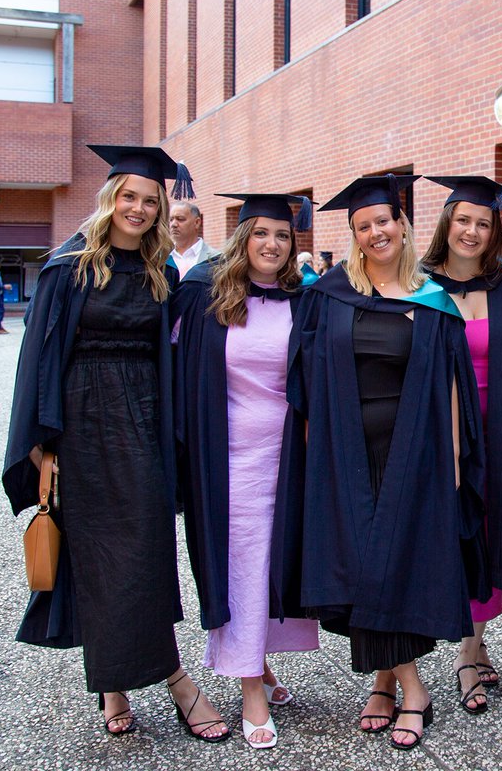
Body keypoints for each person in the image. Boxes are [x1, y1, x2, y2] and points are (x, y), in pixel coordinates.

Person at [2, 144, 229, 742]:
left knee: (150, 552)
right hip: (82, 429)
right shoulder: (70, 267)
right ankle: (144, 682)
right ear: (110, 200)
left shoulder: (160, 273)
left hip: (146, 423)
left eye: (150, 201)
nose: (138, 208)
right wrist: (41, 446)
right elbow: (39, 359)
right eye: (129, 197)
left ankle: (142, 677)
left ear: (161, 210)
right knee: (102, 560)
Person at [294, 174, 485, 750]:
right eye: (364, 225)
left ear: (402, 226)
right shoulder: (327, 294)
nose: (377, 232)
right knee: (363, 564)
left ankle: (390, 684)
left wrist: (454, 454)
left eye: (384, 221)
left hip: (415, 455)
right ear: (353, 235)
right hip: (346, 455)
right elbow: (306, 380)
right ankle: (408, 684)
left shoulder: (431, 298)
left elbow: (452, 385)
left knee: (397, 564)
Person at [172, 193, 320, 749]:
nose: (272, 244)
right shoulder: (206, 298)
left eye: (282, 236)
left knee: (275, 561)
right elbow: (181, 377)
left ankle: (258, 661)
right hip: (228, 457)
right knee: (243, 566)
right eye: (261, 234)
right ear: (242, 238)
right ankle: (250, 687)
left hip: (288, 456)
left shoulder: (303, 300)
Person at [421, 175, 502, 713]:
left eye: (483, 223)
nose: (472, 231)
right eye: (463, 220)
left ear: (496, 232)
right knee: (445, 535)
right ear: (447, 224)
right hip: (441, 435)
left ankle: (471, 649)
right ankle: (429, 646)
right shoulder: (420, 284)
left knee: (490, 534)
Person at [169, 201, 219, 278]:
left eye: (180, 219)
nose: (174, 224)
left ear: (197, 222)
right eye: (171, 219)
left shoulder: (216, 258)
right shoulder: (161, 257)